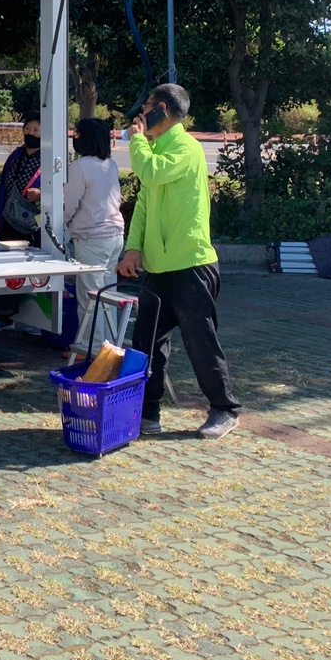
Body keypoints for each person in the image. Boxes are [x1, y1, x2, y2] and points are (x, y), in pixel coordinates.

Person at [115, 84, 240, 440]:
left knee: (200, 341)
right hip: (158, 268)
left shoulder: (186, 148)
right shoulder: (154, 151)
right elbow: (144, 203)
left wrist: (136, 140)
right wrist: (133, 248)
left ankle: (225, 409)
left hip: (191, 265)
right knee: (147, 344)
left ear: (163, 109)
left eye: (146, 107)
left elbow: (151, 173)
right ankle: (147, 413)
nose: (141, 115)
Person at [64, 118, 125, 360]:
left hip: (91, 238)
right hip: (114, 235)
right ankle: (109, 347)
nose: (74, 137)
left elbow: (69, 204)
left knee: (90, 298)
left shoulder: (80, 166)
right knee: (108, 296)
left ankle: (92, 350)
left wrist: (59, 222)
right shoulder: (110, 164)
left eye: (77, 133)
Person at [0, 112, 42, 246]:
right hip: (9, 219)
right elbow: (3, 187)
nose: (30, 133)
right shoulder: (16, 155)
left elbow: (61, 189)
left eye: (36, 130)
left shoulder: (48, 158)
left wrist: (41, 194)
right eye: (27, 128)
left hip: (34, 222)